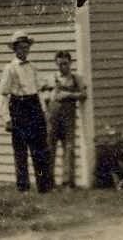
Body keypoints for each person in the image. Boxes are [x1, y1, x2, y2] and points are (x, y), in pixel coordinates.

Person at [0, 31, 53, 192]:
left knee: (40, 148)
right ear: (15, 49)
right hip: (19, 107)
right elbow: (3, 94)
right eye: (21, 48)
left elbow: (40, 87)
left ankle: (44, 186)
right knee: (20, 150)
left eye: (26, 47)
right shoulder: (10, 69)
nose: (24, 50)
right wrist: (6, 118)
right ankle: (23, 186)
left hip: (34, 106)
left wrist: (44, 108)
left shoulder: (33, 68)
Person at [45, 50, 86, 189]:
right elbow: (42, 93)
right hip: (52, 118)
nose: (62, 67)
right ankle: (49, 181)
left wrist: (68, 94)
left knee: (69, 148)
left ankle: (68, 182)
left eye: (65, 64)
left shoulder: (76, 78)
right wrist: (49, 95)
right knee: (50, 148)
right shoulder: (51, 78)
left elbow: (83, 94)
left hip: (68, 118)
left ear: (70, 63)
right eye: (60, 64)